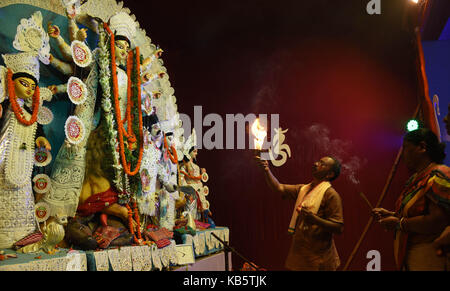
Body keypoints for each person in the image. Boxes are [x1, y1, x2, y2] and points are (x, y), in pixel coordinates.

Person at [372, 128, 450, 270]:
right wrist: (392, 215)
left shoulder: (438, 175)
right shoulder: (416, 178)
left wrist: (399, 224)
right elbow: (417, 213)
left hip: (430, 257)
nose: (402, 155)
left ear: (422, 147)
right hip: (413, 257)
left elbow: (439, 220)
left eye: (406, 148)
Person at [256, 155, 344, 271]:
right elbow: (279, 188)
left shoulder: (331, 195)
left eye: (322, 164)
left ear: (330, 175)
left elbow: (338, 227)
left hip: (320, 259)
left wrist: (314, 219)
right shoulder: (304, 189)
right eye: (318, 161)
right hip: (301, 254)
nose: (316, 164)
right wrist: (266, 170)